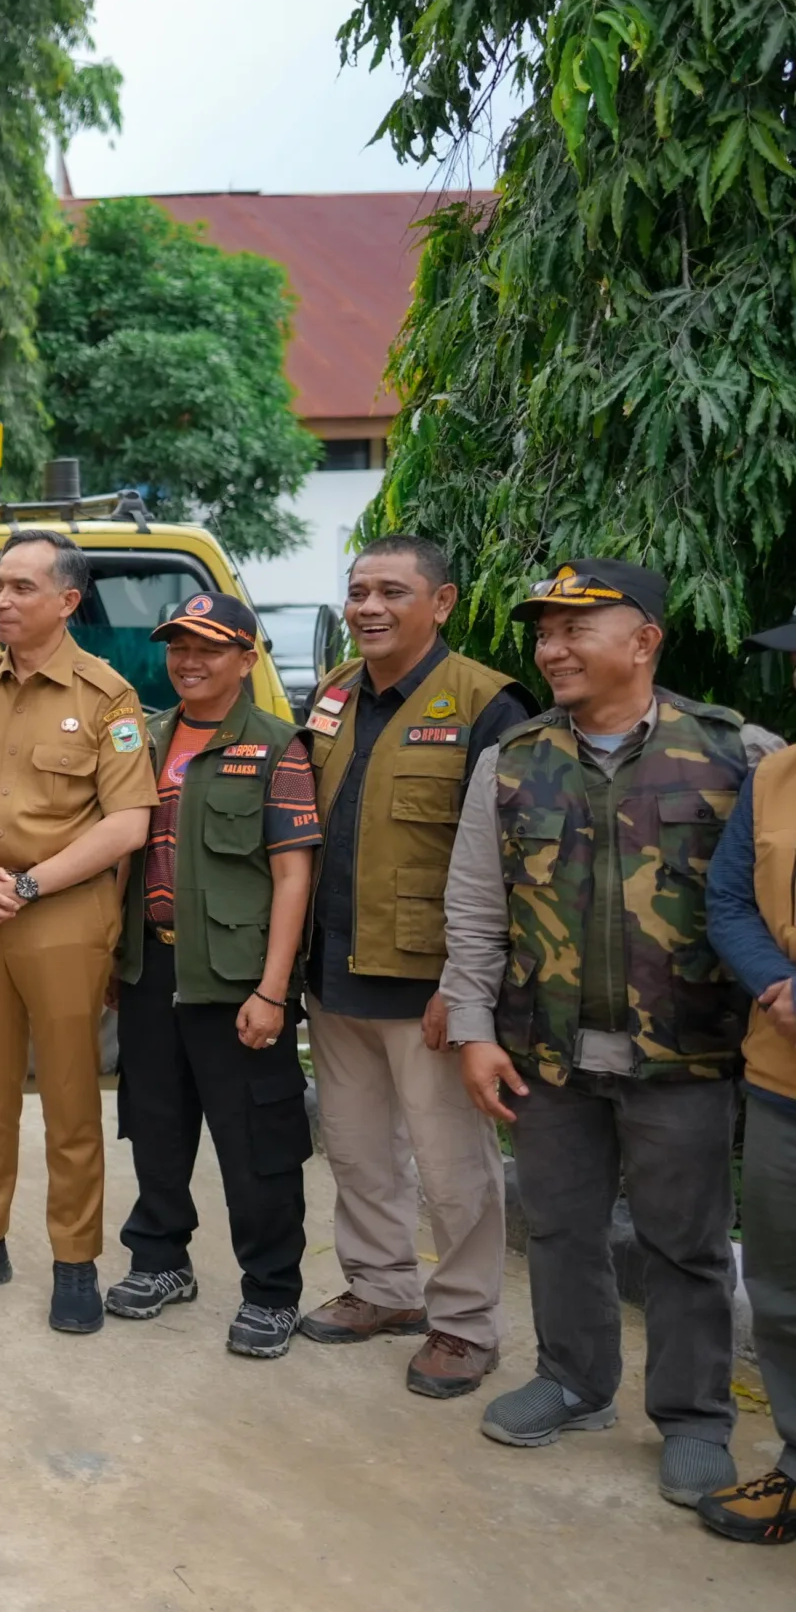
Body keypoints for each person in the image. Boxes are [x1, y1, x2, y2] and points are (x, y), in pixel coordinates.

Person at [439, 558, 778, 1508]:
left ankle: (694, 1417)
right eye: (545, 633)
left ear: (644, 640)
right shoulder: (511, 761)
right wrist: (473, 1028)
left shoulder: (734, 751)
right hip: (542, 1049)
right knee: (558, 1228)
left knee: (686, 1243)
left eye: (574, 629)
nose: (552, 649)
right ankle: (574, 1382)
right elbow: (473, 909)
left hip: (686, 1052)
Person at [297, 535, 533, 1400]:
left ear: (442, 603)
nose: (368, 607)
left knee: (452, 1167)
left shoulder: (488, 706)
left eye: (392, 591)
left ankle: (466, 1324)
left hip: (429, 987)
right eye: (358, 590)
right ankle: (382, 1287)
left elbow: (507, 867)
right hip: (336, 973)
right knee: (358, 1152)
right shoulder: (329, 698)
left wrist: (465, 994)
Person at [0, 529, 155, 1334]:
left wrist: (26, 883)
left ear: (67, 600)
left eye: (22, 587)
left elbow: (127, 825)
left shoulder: (107, 698)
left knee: (68, 1093)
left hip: (61, 913)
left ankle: (75, 1259)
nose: (2, 601)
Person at [103, 594, 320, 1358]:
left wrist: (273, 990)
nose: (189, 661)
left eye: (209, 647)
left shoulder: (277, 745)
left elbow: (294, 876)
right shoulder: (144, 736)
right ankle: (160, 1259)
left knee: (255, 1137)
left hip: (235, 975)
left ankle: (271, 1291)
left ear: (246, 658)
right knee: (155, 1123)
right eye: (178, 646)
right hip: (151, 962)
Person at [697, 604, 796, 1543]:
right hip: (783, 1077)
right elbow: (727, 902)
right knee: (782, 1287)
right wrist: (774, 983)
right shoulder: (775, 776)